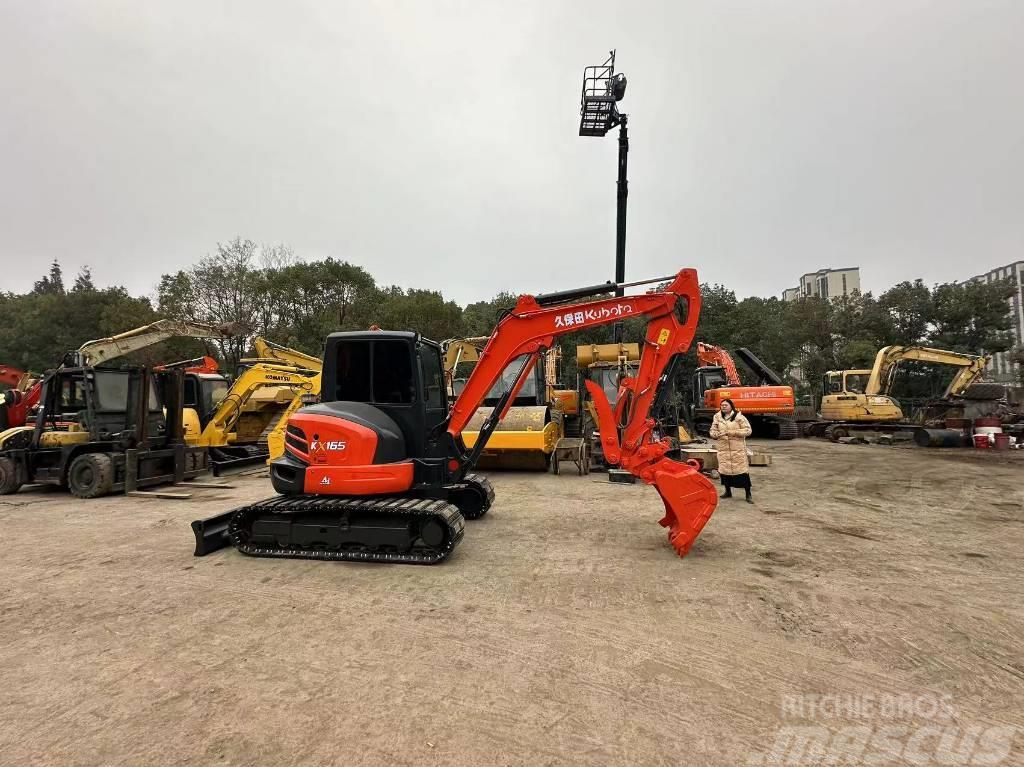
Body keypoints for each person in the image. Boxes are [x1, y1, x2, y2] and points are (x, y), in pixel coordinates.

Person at [709, 397, 754, 503]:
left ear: (731, 406)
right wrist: (715, 434)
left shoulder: (739, 417)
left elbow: (748, 430)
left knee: (742, 473)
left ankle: (748, 494)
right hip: (723, 449)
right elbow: (713, 429)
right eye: (722, 405)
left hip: (737, 450)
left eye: (726, 405)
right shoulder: (717, 417)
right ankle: (727, 491)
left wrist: (731, 432)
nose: (723, 407)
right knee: (725, 472)